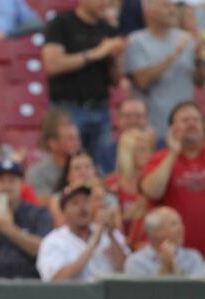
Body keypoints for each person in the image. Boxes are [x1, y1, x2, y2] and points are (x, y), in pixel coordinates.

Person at [42, 0, 124, 172]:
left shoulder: (107, 29)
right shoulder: (62, 22)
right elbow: (52, 65)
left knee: (103, 167)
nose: (105, 3)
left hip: (100, 109)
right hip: (69, 109)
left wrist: (115, 59)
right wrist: (97, 53)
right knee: (68, 166)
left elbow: (116, 80)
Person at [125, 0, 205, 140]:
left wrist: (199, 60)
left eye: (172, 6)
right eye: (165, 5)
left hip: (186, 122)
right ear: (148, 11)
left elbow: (198, 82)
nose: (171, 10)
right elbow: (142, 80)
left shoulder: (186, 38)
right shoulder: (137, 41)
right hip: (155, 125)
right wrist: (174, 54)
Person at [140, 101, 205, 257]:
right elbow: (152, 192)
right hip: (173, 255)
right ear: (171, 129)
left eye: (196, 120)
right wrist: (173, 153)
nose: (191, 124)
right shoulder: (160, 159)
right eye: (185, 120)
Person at [37, 185, 129, 281]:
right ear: (64, 212)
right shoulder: (53, 241)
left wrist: (111, 236)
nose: (82, 207)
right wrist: (92, 245)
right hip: (74, 295)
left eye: (86, 201)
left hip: (110, 294)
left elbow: (127, 271)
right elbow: (57, 279)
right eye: (75, 203)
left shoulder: (109, 233)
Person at [125, 206, 205, 276]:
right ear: (156, 232)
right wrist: (165, 269)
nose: (181, 228)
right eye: (174, 224)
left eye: (181, 223)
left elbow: (196, 292)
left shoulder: (193, 258)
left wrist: (172, 268)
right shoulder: (137, 262)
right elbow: (144, 293)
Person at [105, 128, 153, 244]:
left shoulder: (154, 181)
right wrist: (136, 209)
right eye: (141, 150)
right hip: (121, 242)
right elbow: (109, 222)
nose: (149, 155)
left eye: (149, 149)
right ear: (128, 153)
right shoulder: (111, 184)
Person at [26, 109, 82, 202]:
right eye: (70, 139)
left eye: (78, 138)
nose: (77, 143)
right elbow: (40, 203)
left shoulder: (87, 166)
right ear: (53, 143)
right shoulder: (38, 173)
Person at [102, 98, 160, 173]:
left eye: (138, 116)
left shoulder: (162, 147)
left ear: (147, 118)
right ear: (118, 119)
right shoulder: (106, 153)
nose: (133, 121)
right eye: (127, 116)